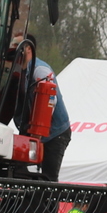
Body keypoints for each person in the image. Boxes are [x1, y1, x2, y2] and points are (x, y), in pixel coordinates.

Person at [23, 51, 71, 180]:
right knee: (19, 169)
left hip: (55, 133)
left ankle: (46, 199)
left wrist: (38, 130)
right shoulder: (23, 71)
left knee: (49, 178)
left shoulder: (40, 69)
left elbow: (50, 96)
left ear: (27, 49)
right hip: (39, 131)